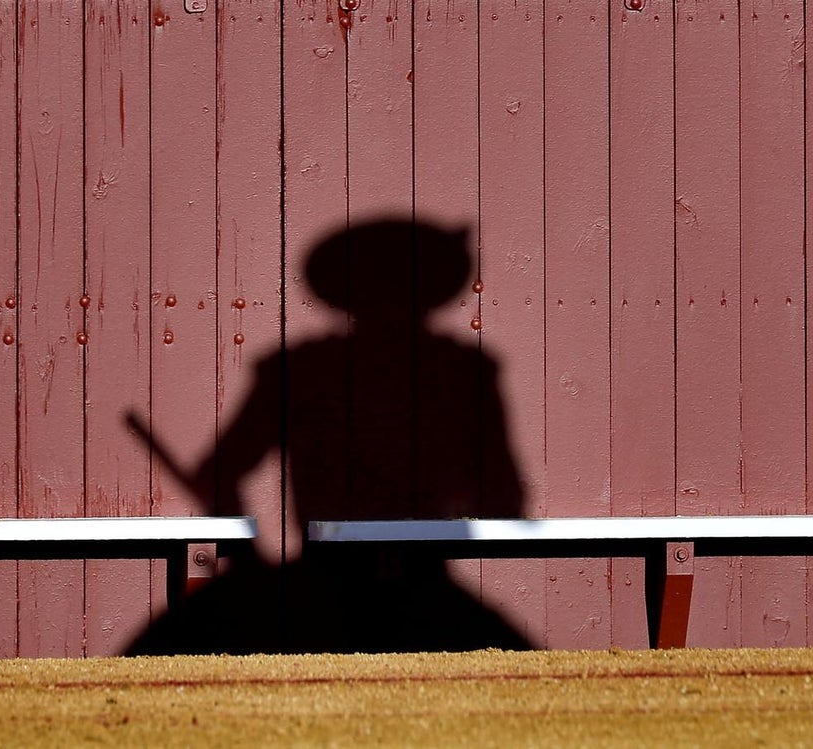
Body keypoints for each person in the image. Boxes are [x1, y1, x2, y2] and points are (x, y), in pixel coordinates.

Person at [126, 218, 530, 654]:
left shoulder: (298, 368)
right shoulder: (464, 372)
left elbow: (217, 473)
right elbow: (504, 499)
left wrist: (249, 563)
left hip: (320, 589)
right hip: (422, 586)